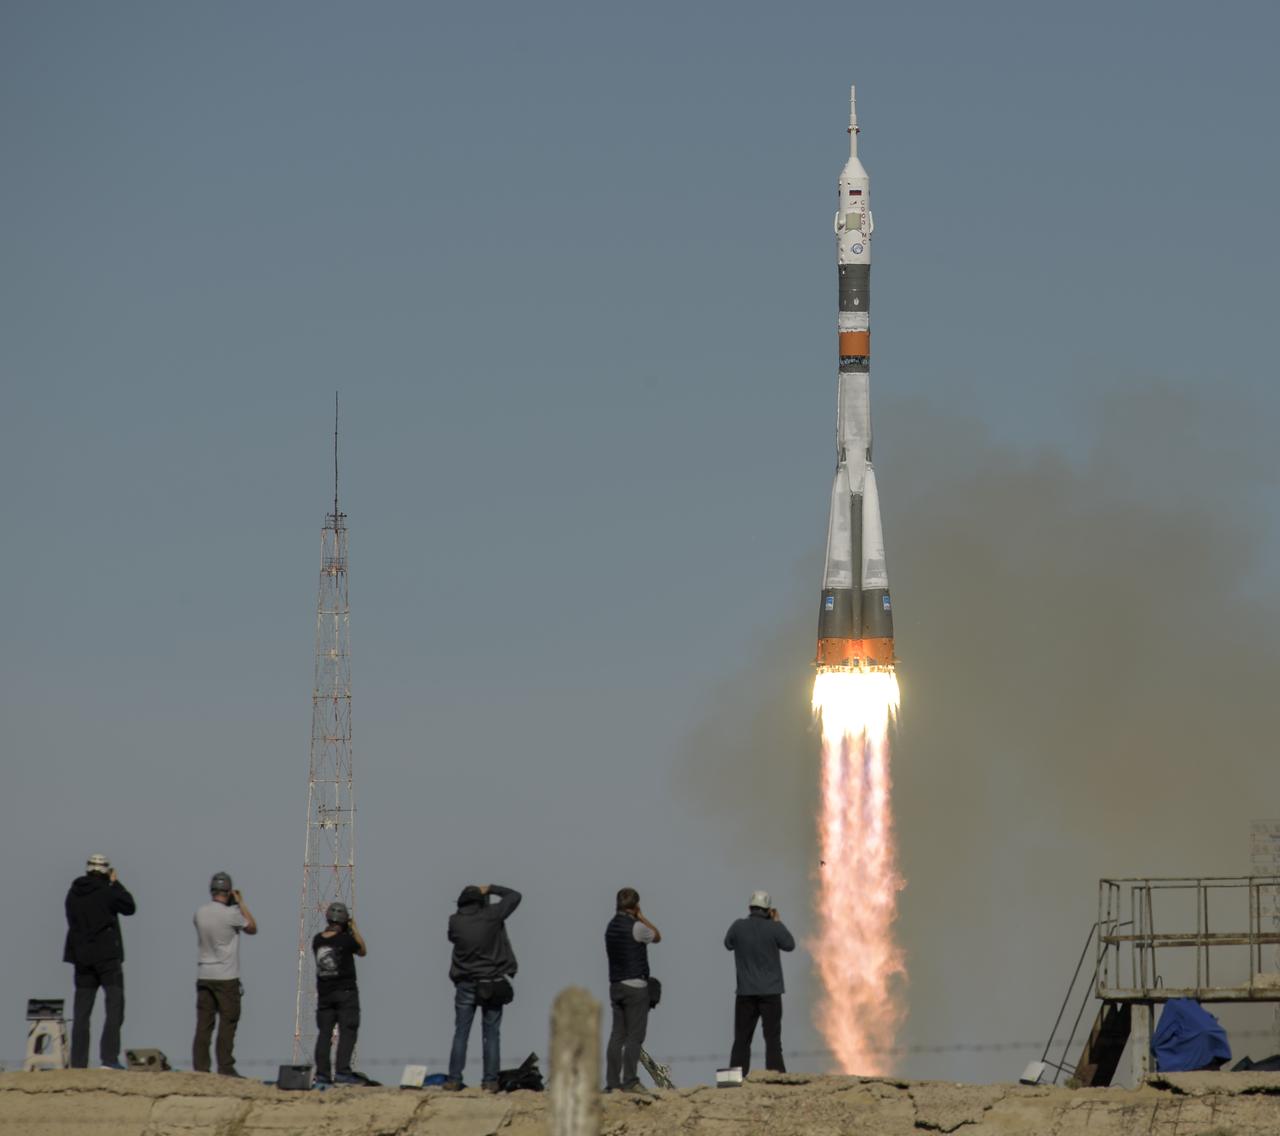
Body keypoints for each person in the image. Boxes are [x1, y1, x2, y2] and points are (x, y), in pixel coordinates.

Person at [443, 883, 521, 1091]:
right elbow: (514, 895)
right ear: (481, 901)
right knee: (492, 1033)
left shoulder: (455, 921)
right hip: (491, 982)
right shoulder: (492, 916)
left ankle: (453, 1079)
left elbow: (453, 938)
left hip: (465, 983)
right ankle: (490, 1081)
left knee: (461, 1032)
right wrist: (492, 888)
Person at [63, 854, 136, 1069]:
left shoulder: (73, 893)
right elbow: (130, 907)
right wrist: (116, 883)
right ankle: (109, 1058)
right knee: (115, 1005)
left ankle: (78, 1062)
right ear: (106, 870)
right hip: (107, 958)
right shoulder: (108, 892)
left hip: (81, 958)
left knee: (81, 1012)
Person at [192, 871, 257, 1076]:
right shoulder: (231, 914)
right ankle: (225, 1067)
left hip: (204, 973)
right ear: (228, 892)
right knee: (227, 1023)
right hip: (226, 976)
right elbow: (252, 927)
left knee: (204, 1024)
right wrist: (240, 904)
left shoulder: (200, 912)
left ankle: (201, 1067)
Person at [724, 890, 795, 1074]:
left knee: (741, 1038)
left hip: (745, 992)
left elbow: (728, 944)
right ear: (768, 909)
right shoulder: (774, 927)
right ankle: (775, 1077)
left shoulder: (738, 926)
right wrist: (777, 922)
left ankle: (733, 1081)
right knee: (772, 1038)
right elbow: (789, 945)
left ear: (750, 907)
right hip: (771, 992)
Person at [604, 887, 662, 1093]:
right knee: (634, 1037)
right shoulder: (637, 927)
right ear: (635, 906)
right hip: (635, 987)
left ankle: (612, 1082)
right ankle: (629, 1080)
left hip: (615, 985)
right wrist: (642, 917)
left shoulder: (610, 927)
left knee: (616, 1035)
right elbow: (657, 936)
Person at [312, 901, 367, 1086]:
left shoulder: (317, 940)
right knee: (347, 1031)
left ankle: (322, 1074)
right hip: (345, 992)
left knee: (324, 1034)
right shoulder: (346, 940)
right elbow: (362, 950)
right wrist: (354, 929)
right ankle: (343, 1071)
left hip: (325, 995)